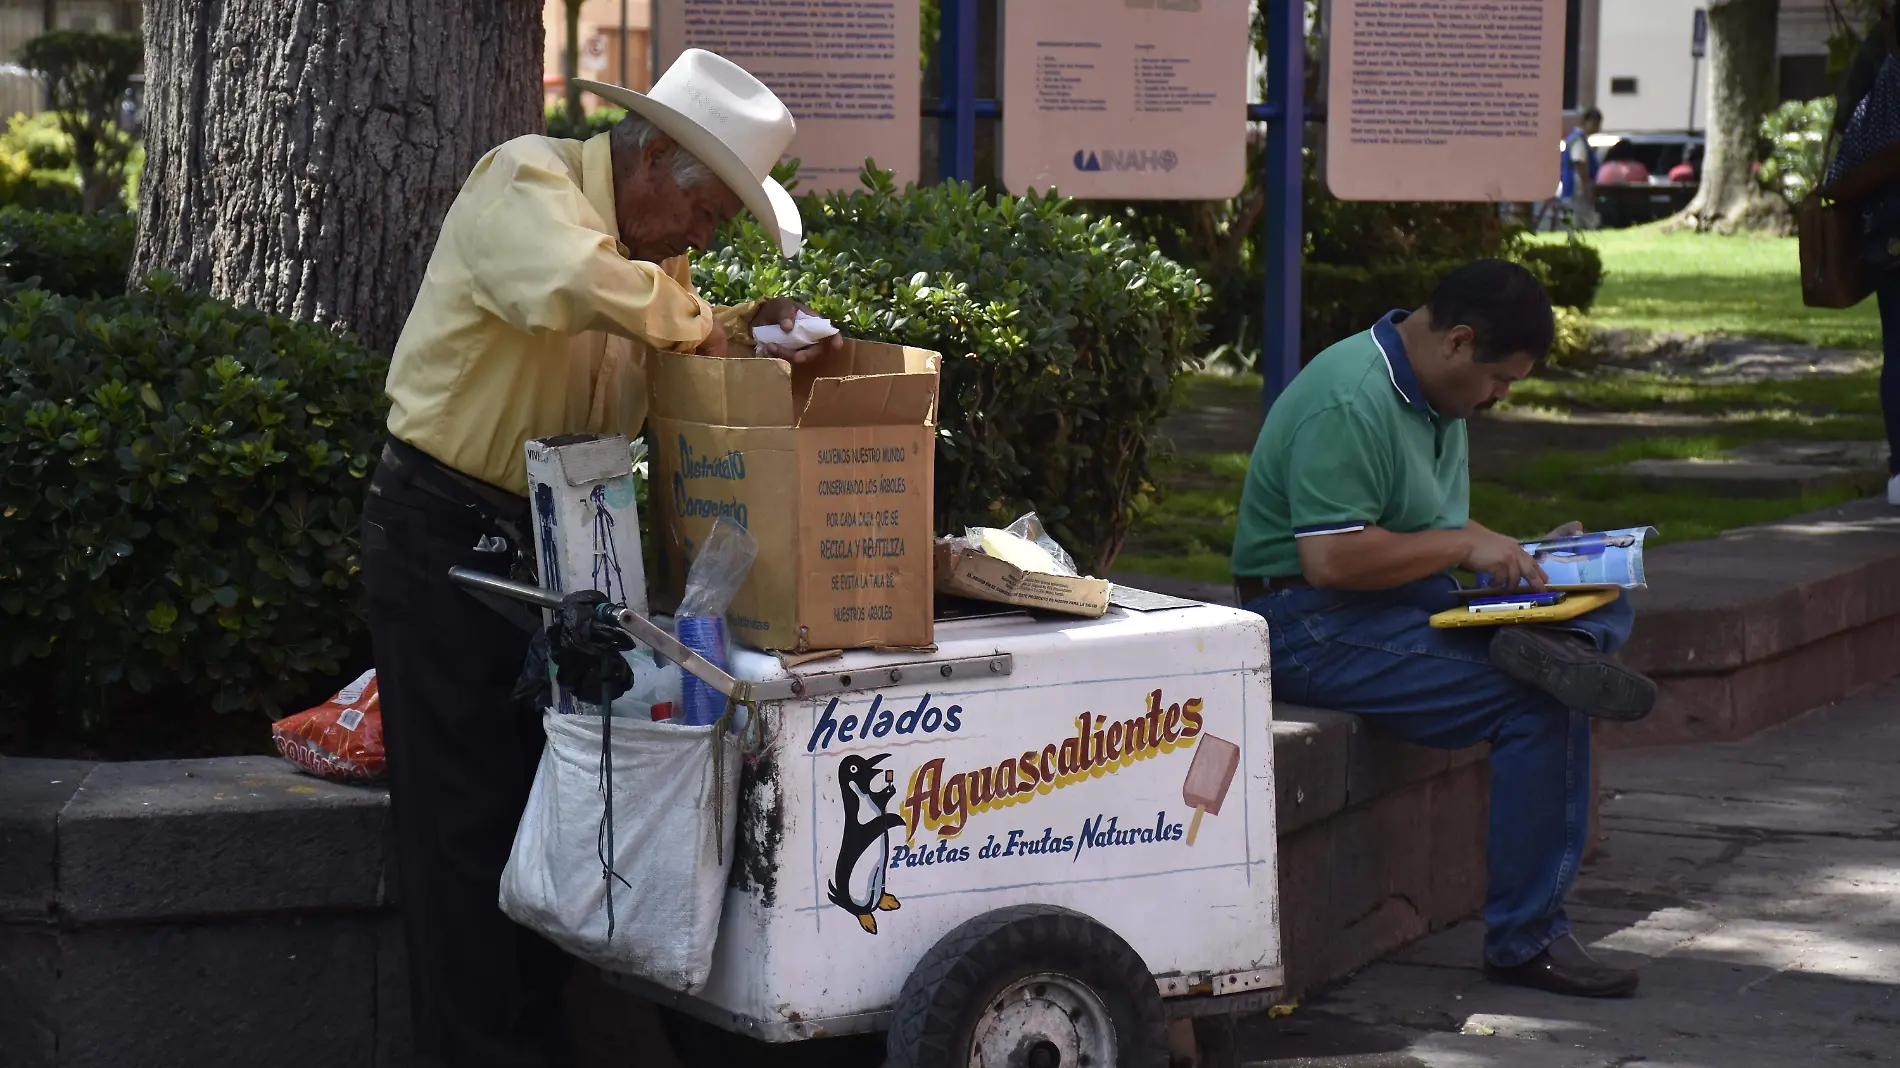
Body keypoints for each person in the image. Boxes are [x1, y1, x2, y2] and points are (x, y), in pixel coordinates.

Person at [361, 49, 839, 1067]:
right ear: (655, 159)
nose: (703, 240)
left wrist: (745, 334)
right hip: (445, 531)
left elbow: (669, 347)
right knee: (461, 831)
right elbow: (572, 285)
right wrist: (714, 331)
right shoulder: (523, 179)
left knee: (565, 816)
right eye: (707, 214)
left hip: (561, 545)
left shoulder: (658, 271)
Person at [1232, 260, 1657, 999]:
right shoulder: (1351, 398)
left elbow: (1430, 524)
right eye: (1502, 380)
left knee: (1604, 594)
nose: (1499, 397)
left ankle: (1566, 638)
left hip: (1399, 598)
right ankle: (1528, 941)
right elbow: (1330, 559)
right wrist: (1465, 548)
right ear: (1459, 342)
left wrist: (1524, 557)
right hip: (1307, 623)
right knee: (1537, 701)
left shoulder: (1436, 394)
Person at [1827, 7, 1900, 505]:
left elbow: (1846, 139)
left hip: (1890, 234)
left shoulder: (1888, 68)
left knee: (1897, 349)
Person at [1560, 108, 1603, 230]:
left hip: (1572, 189)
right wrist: (1587, 189)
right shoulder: (1578, 140)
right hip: (1577, 190)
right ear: (1587, 122)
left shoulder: (1575, 138)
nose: (1597, 128)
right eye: (1596, 124)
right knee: (1580, 224)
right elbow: (1580, 164)